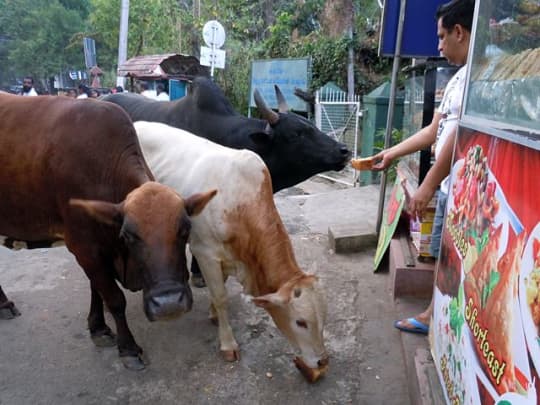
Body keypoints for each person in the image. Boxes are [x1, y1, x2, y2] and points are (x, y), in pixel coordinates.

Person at [371, 0, 475, 335]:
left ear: (460, 32)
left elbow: (460, 134)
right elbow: (434, 131)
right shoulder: (459, 79)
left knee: (462, 263)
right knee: (445, 258)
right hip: (451, 189)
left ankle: (439, 320)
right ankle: (434, 315)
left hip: (470, 193)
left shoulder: (484, 77)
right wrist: (391, 153)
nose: (439, 45)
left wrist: (426, 185)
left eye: (443, 37)